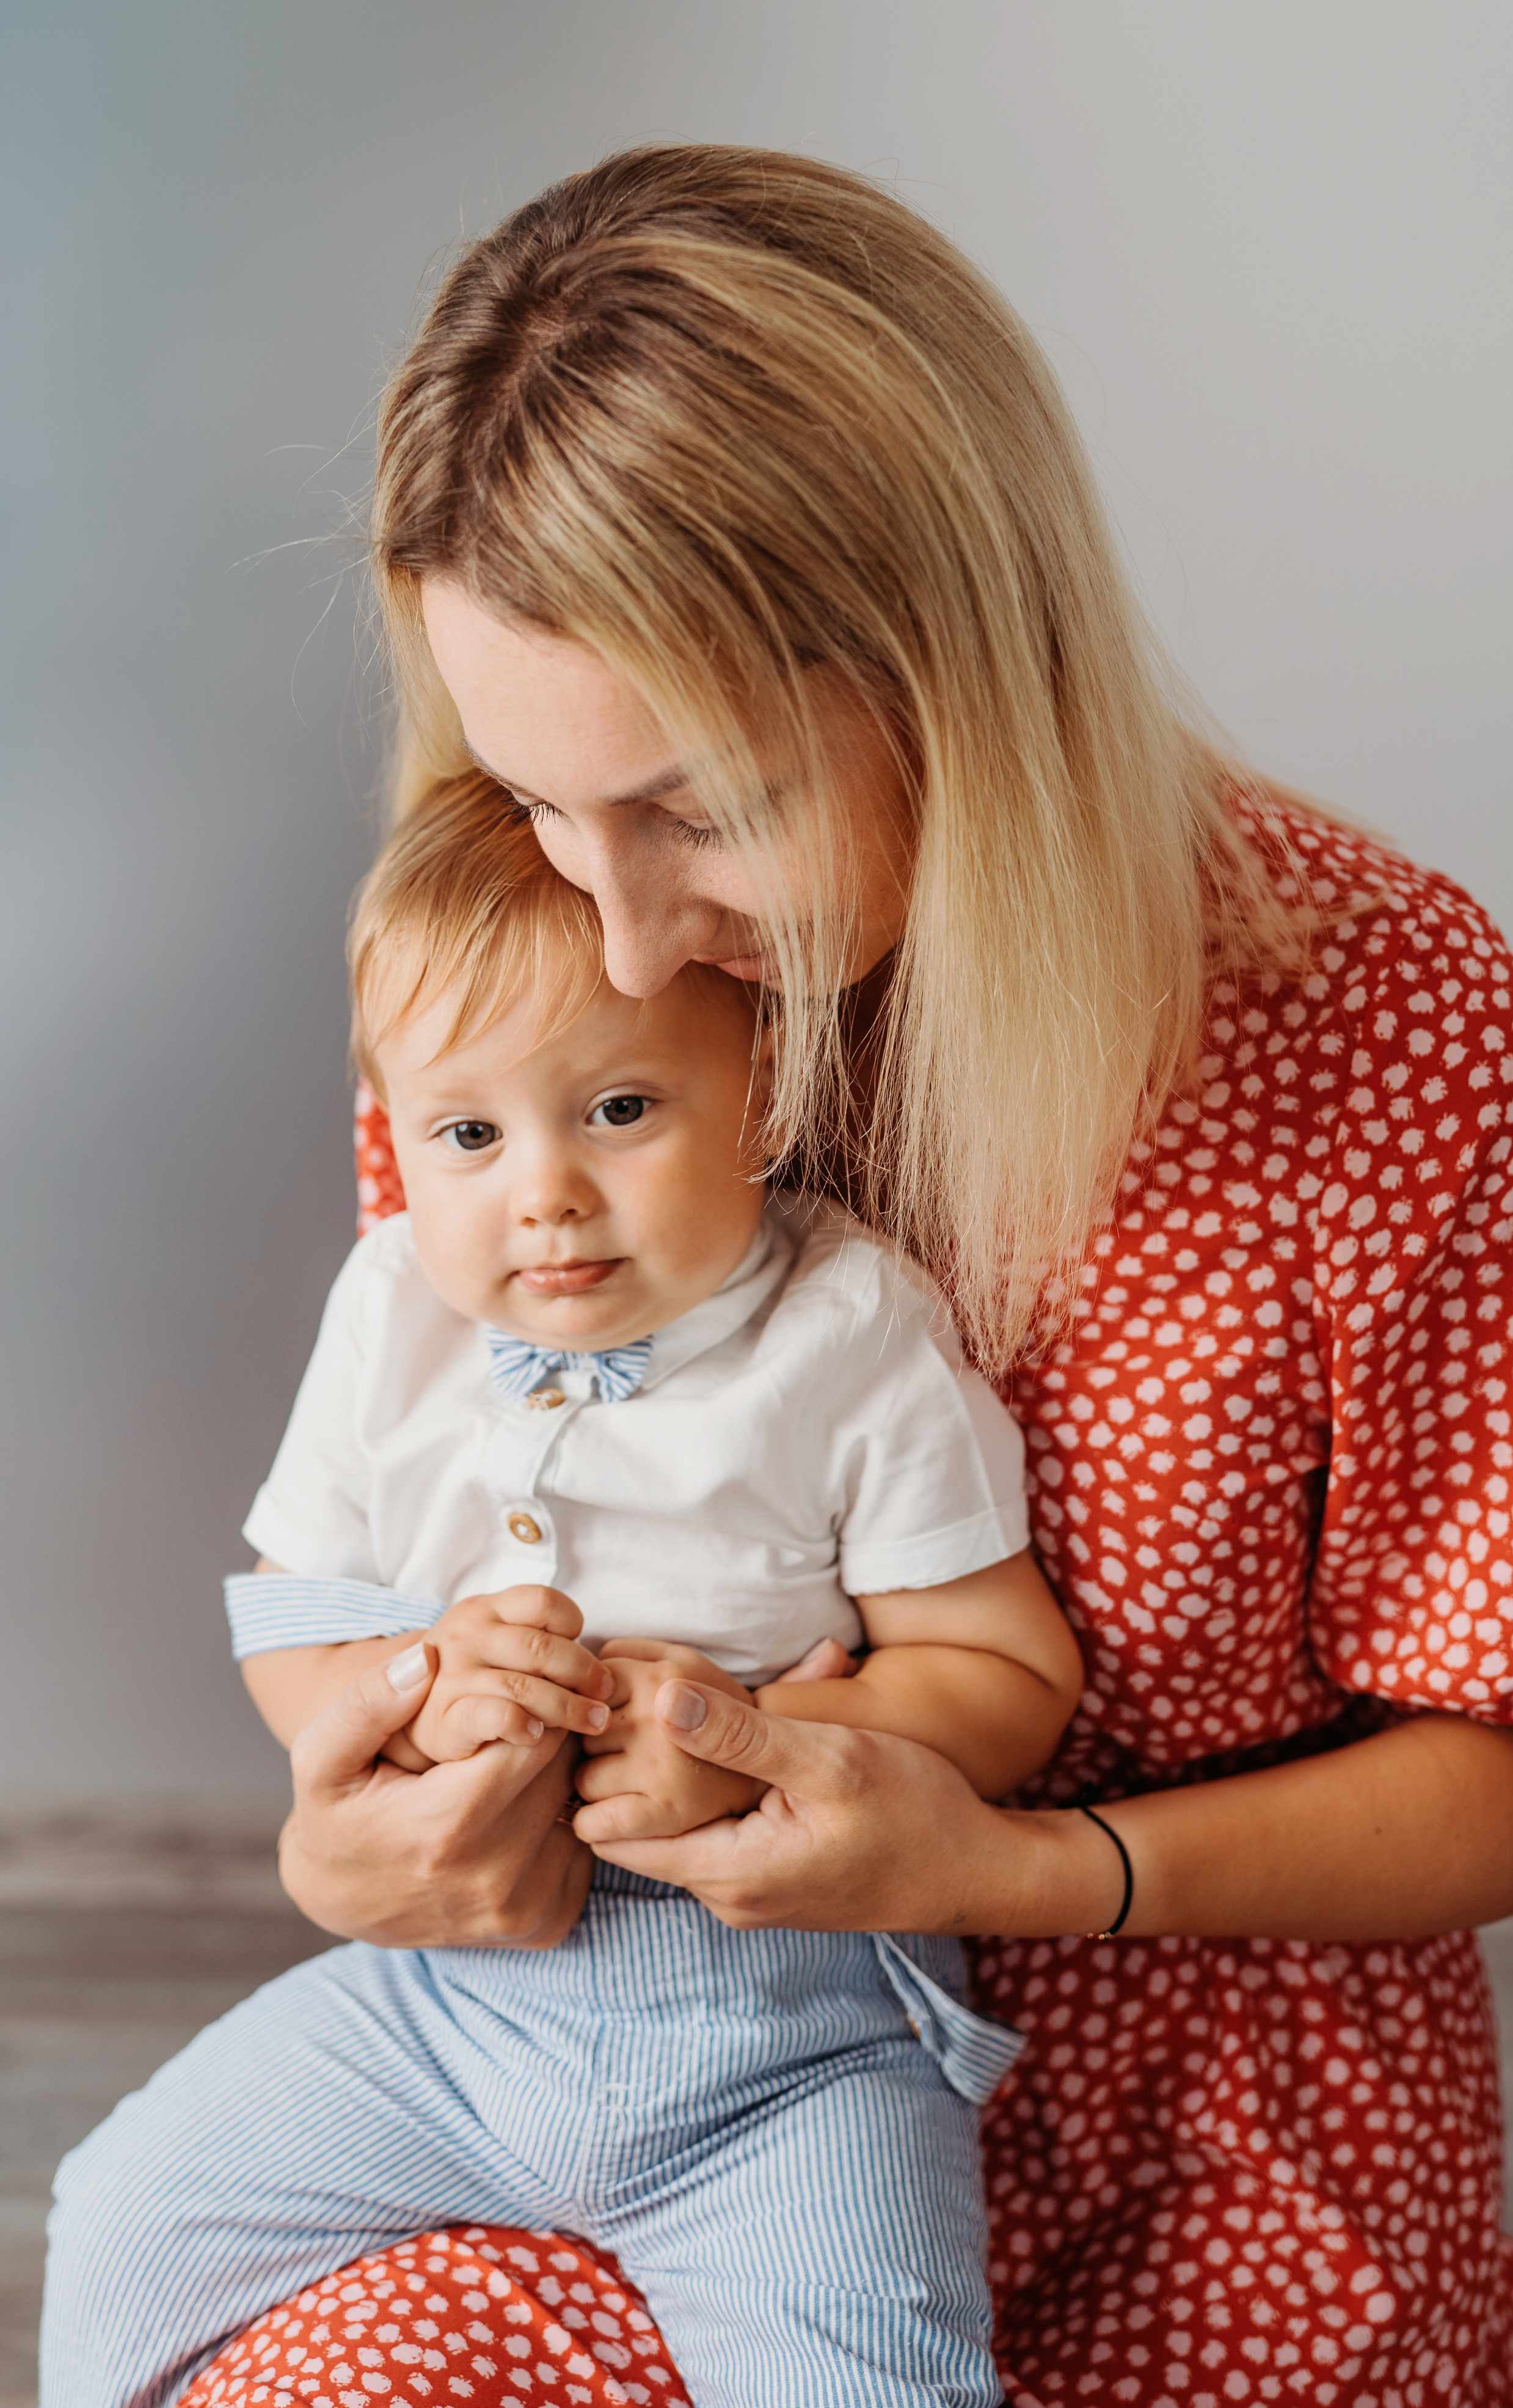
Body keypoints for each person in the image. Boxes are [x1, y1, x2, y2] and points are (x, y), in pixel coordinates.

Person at [49, 142, 1513, 2408]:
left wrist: (1020, 1871)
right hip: (585, 2092)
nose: (624, 927)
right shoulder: (534, 975)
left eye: (701, 805)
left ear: (965, 670)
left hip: (1210, 2154)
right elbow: (375, 1575)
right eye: (545, 800)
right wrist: (377, 1835)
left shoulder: (1377, 1013)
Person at [48, 775, 1082, 2408]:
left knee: (874, 2369)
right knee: (118, 2210)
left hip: (790, 2040)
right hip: (443, 2011)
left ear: (760, 1092)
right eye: (470, 1132)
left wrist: (753, 1737)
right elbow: (292, 1613)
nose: (544, 1189)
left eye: (617, 1111)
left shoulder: (845, 1328)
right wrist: (405, 1705)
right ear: (402, 1133)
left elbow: (1002, 1673)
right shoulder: (396, 1303)